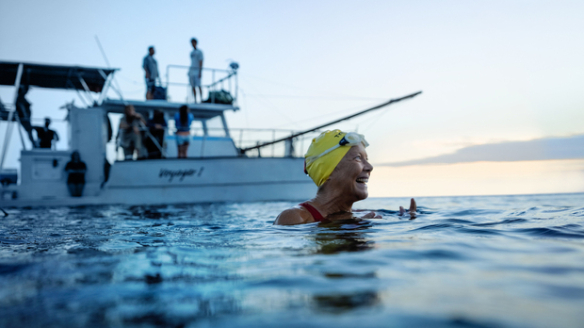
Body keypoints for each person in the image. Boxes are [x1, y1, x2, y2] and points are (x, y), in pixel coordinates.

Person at [274, 130, 417, 225]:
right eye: (357, 158)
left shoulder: (359, 214)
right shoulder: (294, 218)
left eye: (367, 159)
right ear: (328, 171)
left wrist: (406, 221)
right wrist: (347, 229)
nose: (369, 167)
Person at [188, 38, 204, 103]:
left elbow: (201, 61)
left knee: (199, 85)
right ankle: (195, 100)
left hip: (197, 71)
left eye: (193, 42)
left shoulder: (199, 52)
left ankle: (201, 99)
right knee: (193, 86)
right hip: (191, 70)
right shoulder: (191, 53)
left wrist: (200, 71)